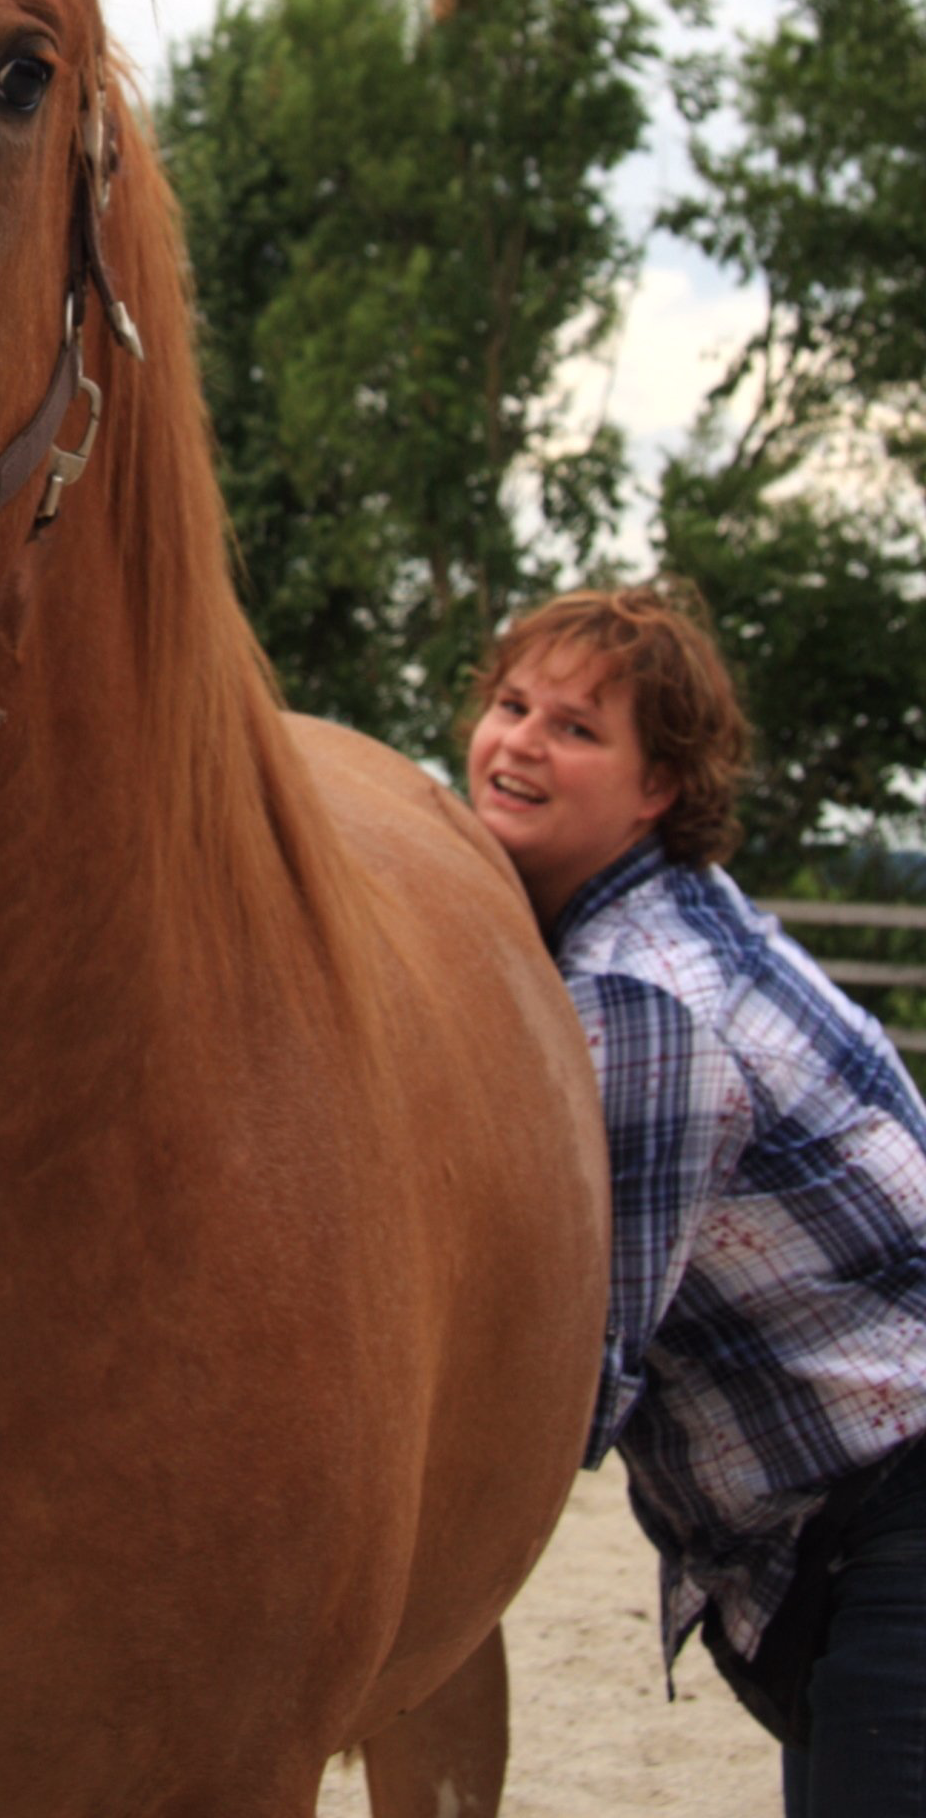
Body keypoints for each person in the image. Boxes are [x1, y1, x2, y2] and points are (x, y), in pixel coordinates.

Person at [464, 580, 926, 1817]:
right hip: (852, 1518)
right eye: (511, 704)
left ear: (656, 787)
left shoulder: (638, 1003)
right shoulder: (628, 925)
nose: (517, 741)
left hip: (897, 1509)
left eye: (575, 730)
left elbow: (572, 1379)